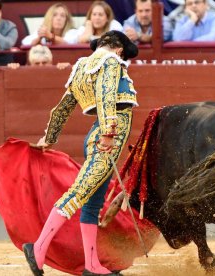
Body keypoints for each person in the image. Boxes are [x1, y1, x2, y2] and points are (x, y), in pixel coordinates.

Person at [22, 30, 138, 276]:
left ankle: (92, 265)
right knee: (79, 192)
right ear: (119, 50)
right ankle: (38, 248)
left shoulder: (81, 67)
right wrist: (109, 132)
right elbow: (107, 97)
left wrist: (49, 138)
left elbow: (63, 107)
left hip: (99, 134)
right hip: (108, 137)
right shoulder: (111, 62)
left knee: (92, 202)